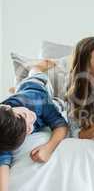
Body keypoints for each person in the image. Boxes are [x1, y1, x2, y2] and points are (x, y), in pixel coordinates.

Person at [0, 60, 68, 191]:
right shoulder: (5, 133)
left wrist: (48, 148)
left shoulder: (36, 100)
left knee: (58, 102)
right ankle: (16, 90)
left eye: (25, 117)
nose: (32, 120)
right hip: (20, 104)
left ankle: (39, 66)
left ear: (8, 107)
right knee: (59, 103)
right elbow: (3, 162)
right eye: (29, 129)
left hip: (35, 90)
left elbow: (61, 126)